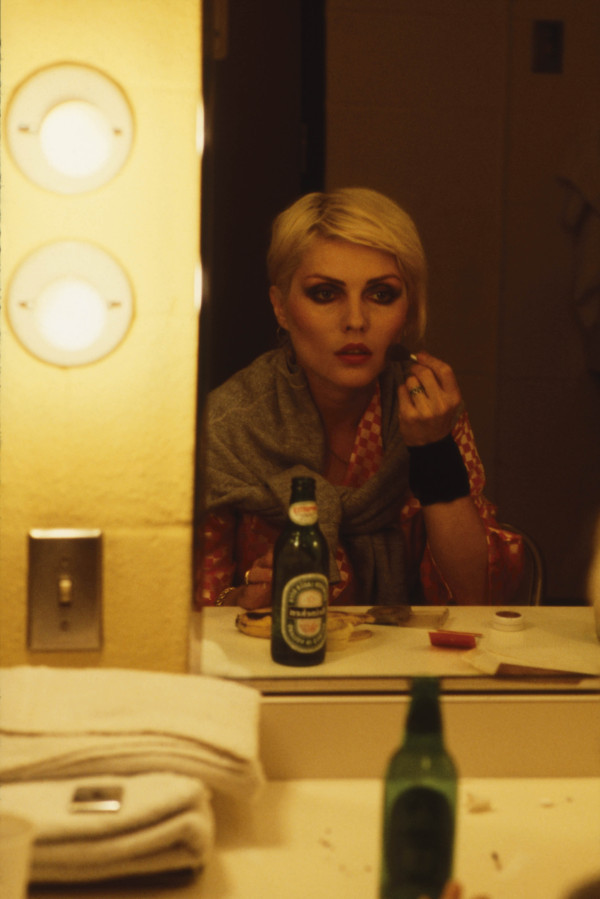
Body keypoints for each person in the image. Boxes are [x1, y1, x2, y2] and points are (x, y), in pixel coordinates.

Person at [198, 187, 523, 609]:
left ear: (408, 309)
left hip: (404, 650)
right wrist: (243, 597)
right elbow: (180, 611)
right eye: (325, 293)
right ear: (281, 307)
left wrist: (434, 450)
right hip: (264, 650)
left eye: (381, 294)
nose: (356, 320)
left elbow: (475, 598)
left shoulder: (427, 408)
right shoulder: (227, 425)